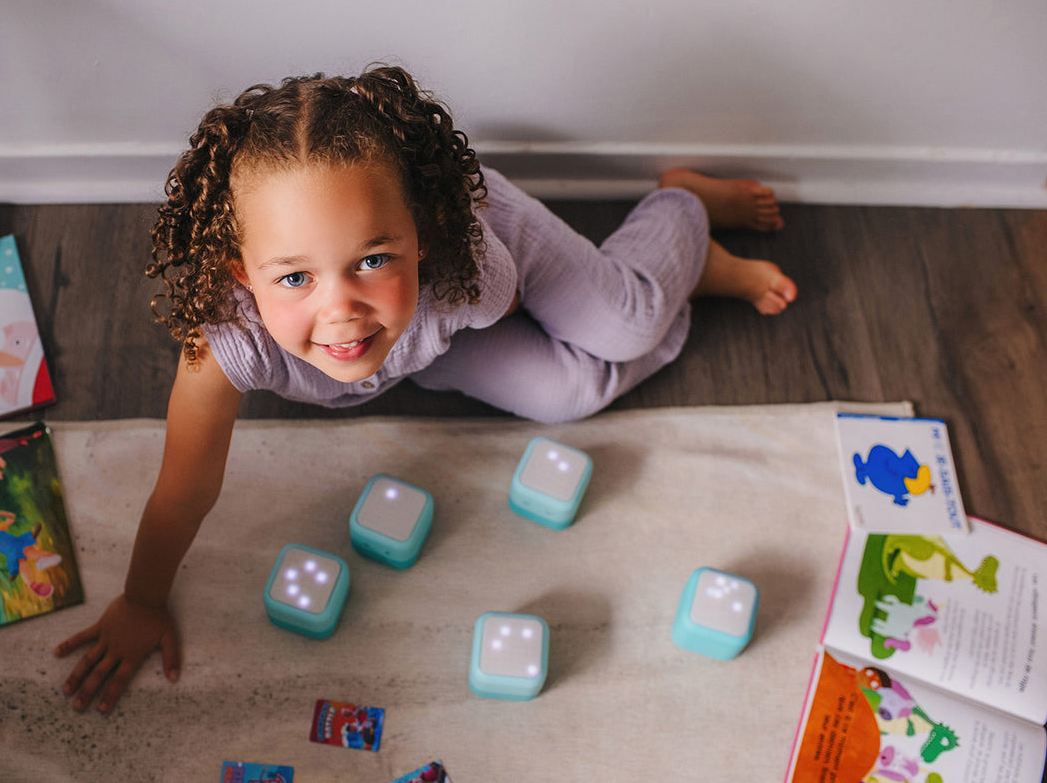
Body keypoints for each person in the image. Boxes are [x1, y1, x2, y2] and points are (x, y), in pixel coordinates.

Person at [55, 65, 797, 713]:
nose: (339, 309)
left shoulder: (465, 265)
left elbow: (506, 309)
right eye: (294, 278)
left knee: (626, 327)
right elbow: (183, 491)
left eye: (372, 258)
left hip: (480, 280)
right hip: (415, 341)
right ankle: (686, 277)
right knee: (572, 394)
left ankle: (682, 212)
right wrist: (142, 601)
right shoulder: (223, 350)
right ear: (240, 272)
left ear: (419, 235)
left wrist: (438, 318)